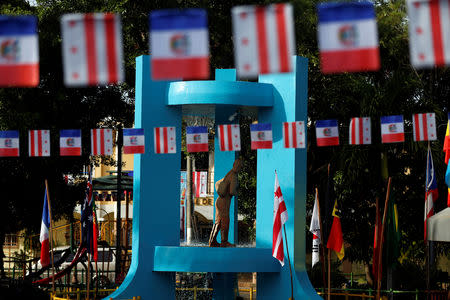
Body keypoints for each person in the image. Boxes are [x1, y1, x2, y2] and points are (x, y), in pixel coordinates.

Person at [209, 158, 242, 247]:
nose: (239, 168)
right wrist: (237, 191)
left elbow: (217, 183)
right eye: (239, 166)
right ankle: (224, 242)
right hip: (224, 202)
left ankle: (212, 241)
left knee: (218, 222)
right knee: (225, 221)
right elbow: (232, 192)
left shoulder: (229, 174)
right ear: (238, 166)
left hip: (219, 201)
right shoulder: (234, 176)